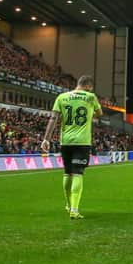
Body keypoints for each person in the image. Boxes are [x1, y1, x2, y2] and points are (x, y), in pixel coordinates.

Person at [41, 75, 103, 219]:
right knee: (78, 173)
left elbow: (53, 118)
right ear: (88, 86)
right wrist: (90, 113)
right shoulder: (90, 97)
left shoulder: (62, 97)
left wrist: (46, 139)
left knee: (67, 172)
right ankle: (74, 209)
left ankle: (68, 204)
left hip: (66, 141)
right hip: (82, 142)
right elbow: (100, 113)